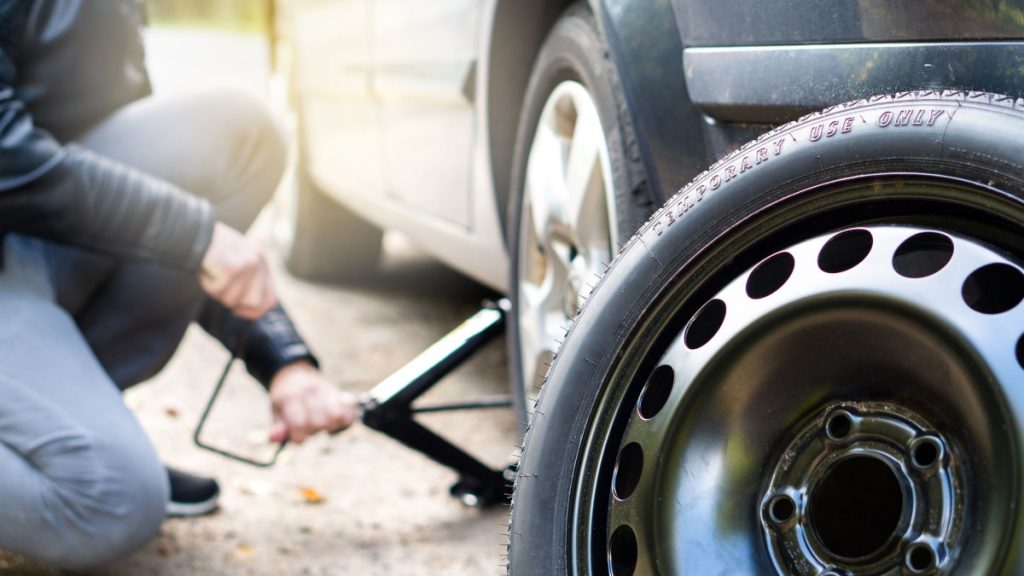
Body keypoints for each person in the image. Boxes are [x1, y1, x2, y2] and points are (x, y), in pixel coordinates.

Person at [0, 0, 361, 569]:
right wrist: (193, 235)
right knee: (112, 501)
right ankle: (64, 451)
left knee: (237, 132)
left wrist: (282, 359)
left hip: (26, 247)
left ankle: (57, 430)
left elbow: (151, 210)